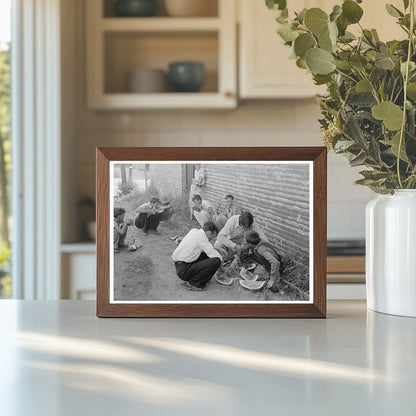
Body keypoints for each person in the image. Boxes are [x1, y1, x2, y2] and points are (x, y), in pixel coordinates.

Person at [172, 221, 222, 291]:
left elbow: (207, 250)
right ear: (209, 233)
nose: (212, 239)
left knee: (207, 255)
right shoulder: (202, 238)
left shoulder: (194, 231)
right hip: (184, 271)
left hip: (179, 266)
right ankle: (194, 282)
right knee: (216, 261)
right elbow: (215, 255)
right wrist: (222, 268)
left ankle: (196, 278)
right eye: (213, 236)